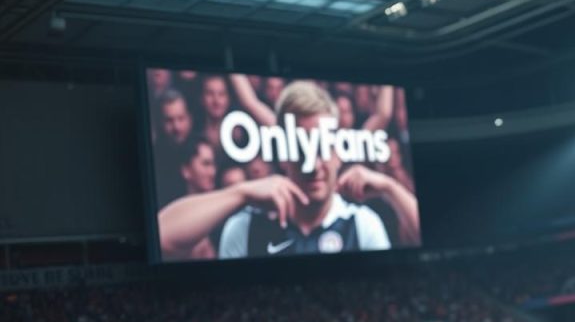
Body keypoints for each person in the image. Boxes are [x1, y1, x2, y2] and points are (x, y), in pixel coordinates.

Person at [157, 81, 413, 259]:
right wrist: (241, 193)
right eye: (302, 148)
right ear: (282, 155)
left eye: (322, 147)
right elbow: (162, 238)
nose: (313, 166)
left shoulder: (361, 223)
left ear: (339, 152)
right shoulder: (244, 226)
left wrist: (390, 188)